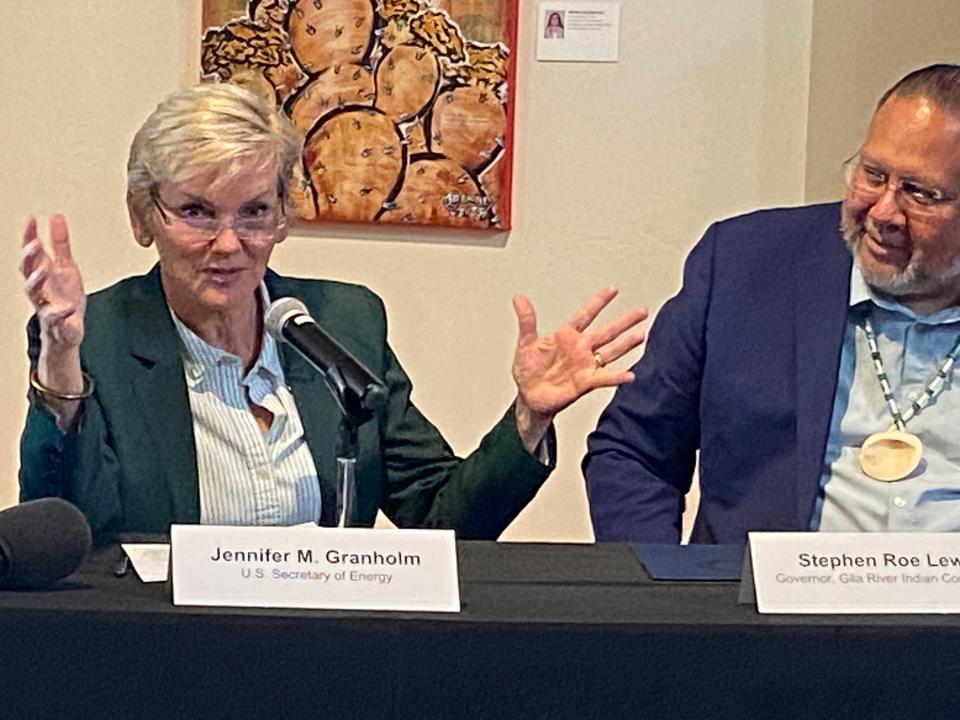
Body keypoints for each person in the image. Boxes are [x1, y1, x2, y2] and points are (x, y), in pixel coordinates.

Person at [19, 82, 647, 542]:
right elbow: (69, 529)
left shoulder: (340, 323)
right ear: (141, 216)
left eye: (255, 212)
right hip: (165, 661)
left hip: (327, 660)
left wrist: (528, 419)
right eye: (197, 212)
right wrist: (62, 368)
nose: (229, 243)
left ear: (284, 217)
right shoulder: (96, 336)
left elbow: (437, 516)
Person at [585, 63, 960, 543]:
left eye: (919, 193)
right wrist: (665, 595)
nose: (884, 212)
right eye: (873, 175)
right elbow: (632, 451)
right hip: (761, 609)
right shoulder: (745, 266)